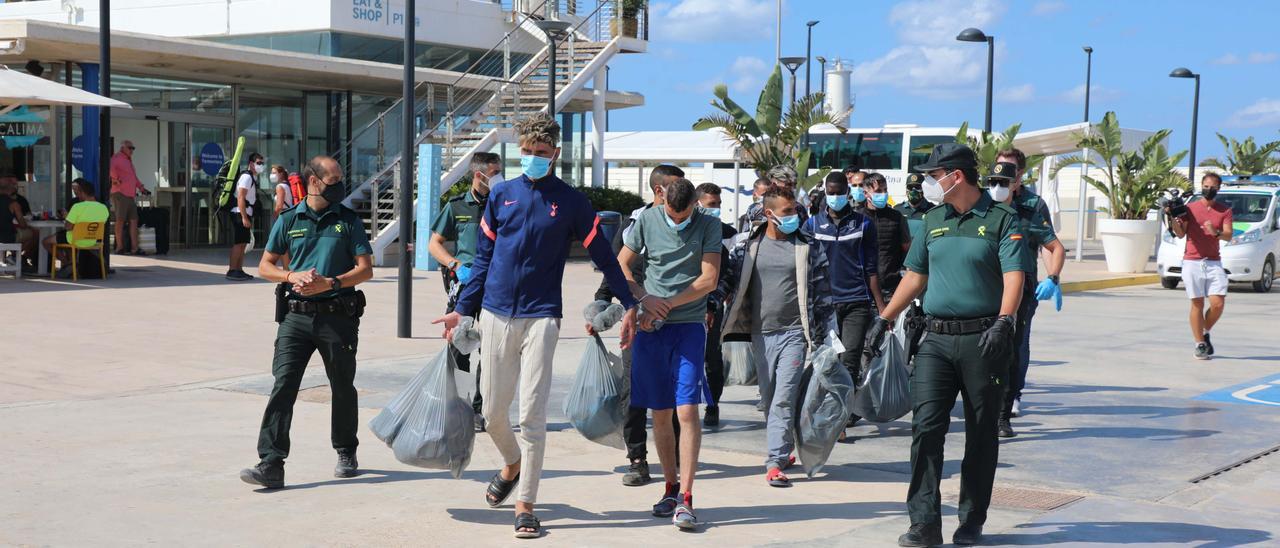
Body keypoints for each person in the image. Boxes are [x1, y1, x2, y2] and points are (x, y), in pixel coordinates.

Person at [433, 113, 639, 539]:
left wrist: (631, 300)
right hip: (494, 312)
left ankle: (525, 503)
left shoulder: (573, 203)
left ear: (556, 155)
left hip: (543, 316)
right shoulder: (501, 194)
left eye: (541, 154)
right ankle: (511, 464)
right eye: (526, 153)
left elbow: (604, 256)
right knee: (491, 413)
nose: (532, 159)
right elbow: (485, 260)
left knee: (532, 414)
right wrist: (463, 309)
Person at [865, 143, 1027, 547]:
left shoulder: (1002, 219)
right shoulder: (932, 219)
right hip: (935, 340)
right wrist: (883, 319)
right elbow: (915, 277)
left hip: (983, 340)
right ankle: (924, 523)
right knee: (925, 430)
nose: (928, 182)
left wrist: (1005, 321)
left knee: (981, 433)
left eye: (933, 175)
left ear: (955, 176)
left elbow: (1014, 277)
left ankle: (971, 521)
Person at [239, 155, 374, 490]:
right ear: (314, 181)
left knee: (342, 386)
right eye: (334, 179)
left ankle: (345, 449)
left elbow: (366, 269)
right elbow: (265, 265)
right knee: (283, 385)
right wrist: (290, 275)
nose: (340, 184)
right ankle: (271, 462)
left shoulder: (347, 220)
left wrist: (331, 283)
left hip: (337, 316)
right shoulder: (289, 219)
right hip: (295, 318)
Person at [617, 177, 720, 530]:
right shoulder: (646, 220)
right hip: (650, 330)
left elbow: (709, 279)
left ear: (694, 204)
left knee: (687, 410)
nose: (678, 222)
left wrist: (669, 305)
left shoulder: (709, 224)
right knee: (659, 413)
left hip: (689, 326)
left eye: (684, 216)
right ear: (661, 199)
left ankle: (687, 499)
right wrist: (645, 300)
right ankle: (671, 488)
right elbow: (621, 265)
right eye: (672, 216)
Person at [719, 186, 835, 488]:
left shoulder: (808, 245)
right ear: (768, 213)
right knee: (771, 399)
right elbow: (729, 281)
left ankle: (774, 461)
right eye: (787, 211)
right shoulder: (747, 246)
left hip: (795, 333)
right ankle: (783, 451)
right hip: (760, 334)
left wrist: (827, 336)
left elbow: (823, 293)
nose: (794, 215)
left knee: (783, 398)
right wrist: (710, 306)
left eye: (795, 209)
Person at [594, 163, 684, 486]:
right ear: (658, 190)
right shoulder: (636, 223)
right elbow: (615, 267)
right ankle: (637, 459)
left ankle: (672, 458)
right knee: (634, 392)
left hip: (677, 321)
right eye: (674, 187)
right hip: (639, 318)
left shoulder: (686, 221)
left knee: (673, 395)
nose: (680, 193)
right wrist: (602, 305)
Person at [990, 151, 1067, 437]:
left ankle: (1006, 408)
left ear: (1020, 174)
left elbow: (1050, 246)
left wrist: (1053, 279)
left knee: (1013, 348)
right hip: (987, 286)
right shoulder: (985, 203)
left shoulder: (1032, 206)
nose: (1000, 179)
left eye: (1008, 172)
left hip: (1022, 287)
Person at [429, 151, 501, 432]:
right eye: (493, 173)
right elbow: (434, 244)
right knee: (460, 350)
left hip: (496, 288)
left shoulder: (504, 204)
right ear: (478, 175)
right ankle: (461, 405)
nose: (498, 178)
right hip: (465, 288)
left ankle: (480, 409)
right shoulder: (457, 206)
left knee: (491, 350)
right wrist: (454, 263)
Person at [807, 171, 884, 432]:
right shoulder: (812, 226)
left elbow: (872, 269)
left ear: (848, 194)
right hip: (824, 306)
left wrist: (882, 309)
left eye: (840, 192)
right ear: (824, 193)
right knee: (828, 362)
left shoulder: (863, 225)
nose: (836, 197)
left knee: (849, 362)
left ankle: (841, 419)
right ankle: (821, 412)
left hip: (856, 303)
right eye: (831, 192)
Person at [1169, 172, 1232, 360]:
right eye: (1205, 186)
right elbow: (1181, 233)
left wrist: (1216, 232)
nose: (1208, 190)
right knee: (1197, 303)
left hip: (1213, 262)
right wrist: (1172, 218)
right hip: (1192, 261)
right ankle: (1200, 344)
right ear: (1201, 186)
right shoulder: (1190, 208)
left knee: (1218, 303)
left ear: (1218, 188)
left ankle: (1205, 329)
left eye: (1212, 187)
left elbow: (1228, 235)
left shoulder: (1224, 210)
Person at [694, 182, 737, 427]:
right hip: (685, 304)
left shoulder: (727, 234)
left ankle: (713, 404)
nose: (717, 209)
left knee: (712, 357)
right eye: (712, 205)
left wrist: (714, 301)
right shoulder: (689, 230)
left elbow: (729, 273)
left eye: (719, 204)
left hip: (712, 306)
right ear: (698, 203)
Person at [857, 172, 912, 296]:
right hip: (862, 289)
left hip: (892, 288)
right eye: (878, 191)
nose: (883, 194)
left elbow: (907, 249)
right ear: (866, 194)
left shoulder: (897, 217)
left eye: (885, 190)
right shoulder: (857, 218)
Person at [41, 179, 109, 277]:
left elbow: (68, 227)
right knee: (63, 238)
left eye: (77, 192)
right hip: (93, 241)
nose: (77, 195)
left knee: (46, 241)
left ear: (82, 192)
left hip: (75, 240)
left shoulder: (77, 207)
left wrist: (66, 217)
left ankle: (67, 263)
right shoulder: (103, 208)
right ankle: (71, 265)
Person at [226, 153, 266, 281]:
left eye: (262, 163)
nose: (261, 166)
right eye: (258, 163)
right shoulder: (246, 177)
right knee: (239, 243)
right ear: (251, 163)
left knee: (243, 243)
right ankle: (232, 270)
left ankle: (239, 269)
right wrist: (244, 217)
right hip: (239, 212)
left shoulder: (251, 178)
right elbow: (241, 197)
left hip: (244, 212)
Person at [109, 140, 152, 255]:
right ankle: (119, 247)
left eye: (133, 148)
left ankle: (134, 248)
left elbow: (133, 177)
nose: (132, 150)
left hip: (130, 195)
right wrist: (115, 179)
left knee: (134, 220)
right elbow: (110, 168)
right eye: (129, 148)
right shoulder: (117, 158)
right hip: (120, 193)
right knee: (120, 220)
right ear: (123, 148)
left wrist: (142, 188)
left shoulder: (128, 161)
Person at [1, 177, 33, 269]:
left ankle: (11, 257)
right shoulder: (14, 204)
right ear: (11, 189)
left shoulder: (20, 200)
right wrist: (25, 225)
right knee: (31, 234)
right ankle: (15, 256)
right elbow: (23, 225)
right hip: (8, 236)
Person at [895, 172, 936, 238]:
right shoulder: (897, 210)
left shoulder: (932, 210)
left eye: (917, 187)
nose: (913, 190)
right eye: (910, 187)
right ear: (906, 190)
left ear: (924, 189)